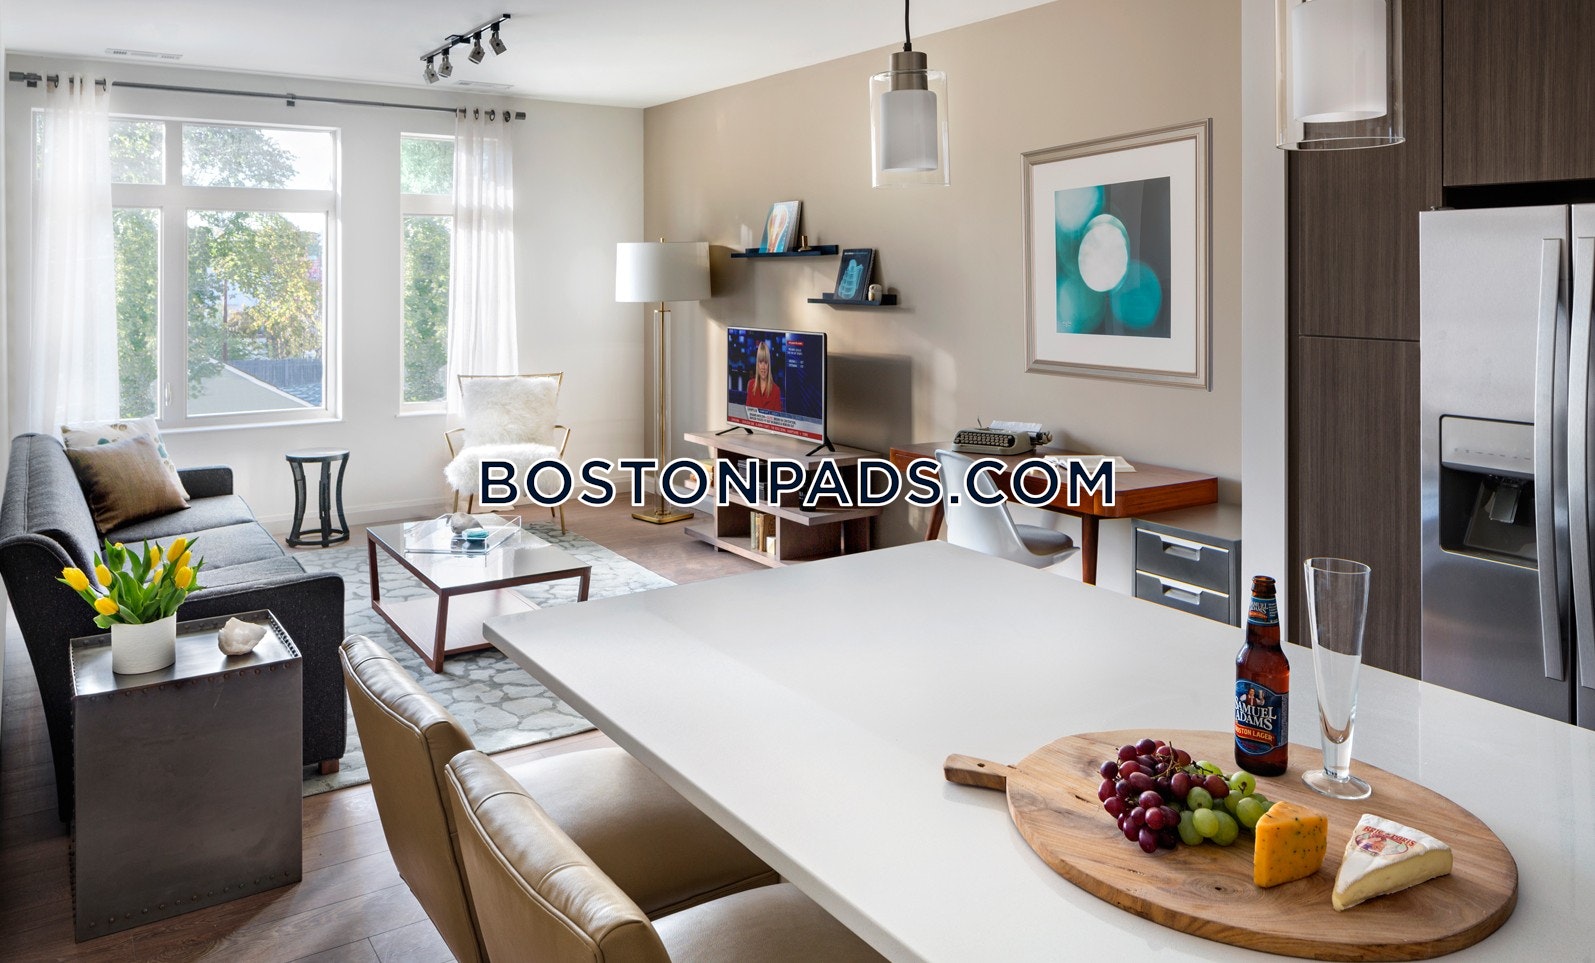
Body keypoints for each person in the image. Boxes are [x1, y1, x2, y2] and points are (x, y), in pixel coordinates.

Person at [744, 340, 783, 412]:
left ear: (769, 365)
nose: (763, 367)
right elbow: (747, 415)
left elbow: (777, 417)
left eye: (765, 363)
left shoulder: (776, 391)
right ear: (757, 364)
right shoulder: (751, 385)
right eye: (760, 362)